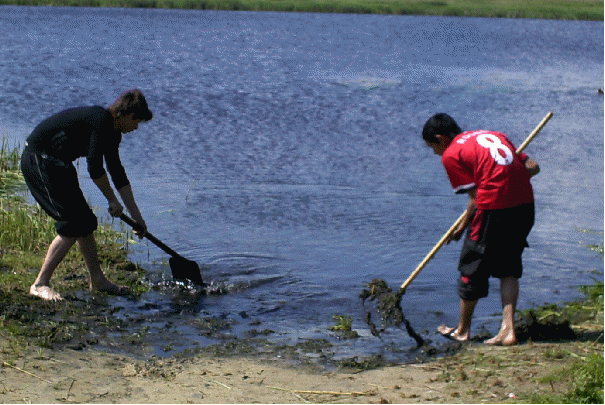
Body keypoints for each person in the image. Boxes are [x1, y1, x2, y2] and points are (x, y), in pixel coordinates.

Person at [20, 89, 151, 302]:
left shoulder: (112, 132)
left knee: (86, 221)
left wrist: (137, 217)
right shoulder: (101, 121)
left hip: (60, 164)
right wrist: (111, 200)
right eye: (136, 122)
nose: (136, 128)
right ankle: (39, 284)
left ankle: (97, 280)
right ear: (126, 115)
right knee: (72, 224)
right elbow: (95, 168)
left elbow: (117, 173)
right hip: (40, 160)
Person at [422, 113, 540, 346]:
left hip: (494, 208)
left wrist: (466, 223)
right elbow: (533, 167)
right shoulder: (494, 135)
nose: (435, 153)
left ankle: (462, 331)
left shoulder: (451, 154)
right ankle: (508, 330)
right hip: (525, 205)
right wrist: (510, 176)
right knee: (509, 266)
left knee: (472, 265)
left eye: (432, 147)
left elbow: (476, 199)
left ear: (441, 139)